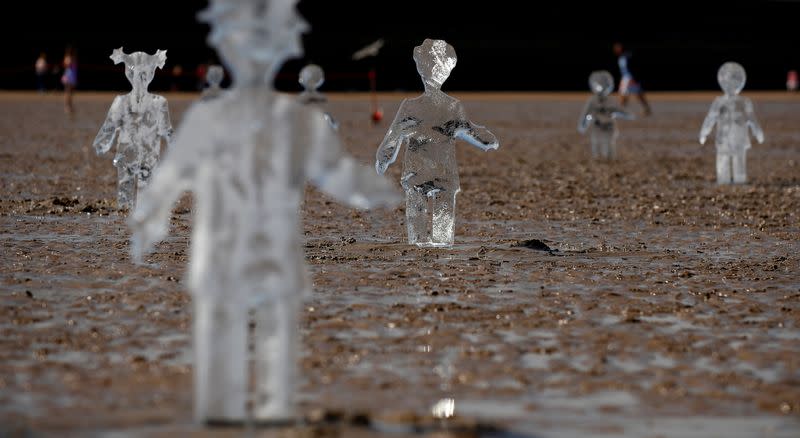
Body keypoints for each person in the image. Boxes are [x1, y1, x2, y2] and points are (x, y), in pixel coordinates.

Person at [128, 0, 399, 425]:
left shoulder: (295, 120)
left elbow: (334, 172)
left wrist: (372, 189)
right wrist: (149, 217)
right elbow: (173, 174)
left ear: (282, 47)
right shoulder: (213, 116)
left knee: (274, 333)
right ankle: (222, 411)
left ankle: (272, 410)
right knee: (222, 330)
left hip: (271, 252)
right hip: (222, 252)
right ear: (225, 45)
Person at [375, 39, 500, 247]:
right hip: (444, 174)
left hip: (416, 175)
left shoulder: (410, 107)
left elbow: (393, 138)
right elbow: (472, 130)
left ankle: (420, 240)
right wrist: (489, 139)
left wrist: (383, 159)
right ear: (447, 71)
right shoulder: (452, 106)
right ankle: (440, 242)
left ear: (420, 69)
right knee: (443, 222)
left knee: (418, 223)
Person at [613, 42, 651, 116]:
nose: (616, 50)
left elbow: (631, 68)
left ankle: (647, 109)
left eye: (617, 48)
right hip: (626, 78)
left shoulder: (626, 57)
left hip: (630, 78)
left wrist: (632, 78)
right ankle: (622, 110)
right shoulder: (622, 57)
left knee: (638, 94)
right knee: (623, 94)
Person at [61, 46, 78, 114]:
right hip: (69, 75)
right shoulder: (68, 57)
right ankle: (67, 106)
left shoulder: (72, 58)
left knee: (70, 92)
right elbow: (66, 65)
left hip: (71, 75)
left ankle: (69, 105)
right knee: (68, 92)